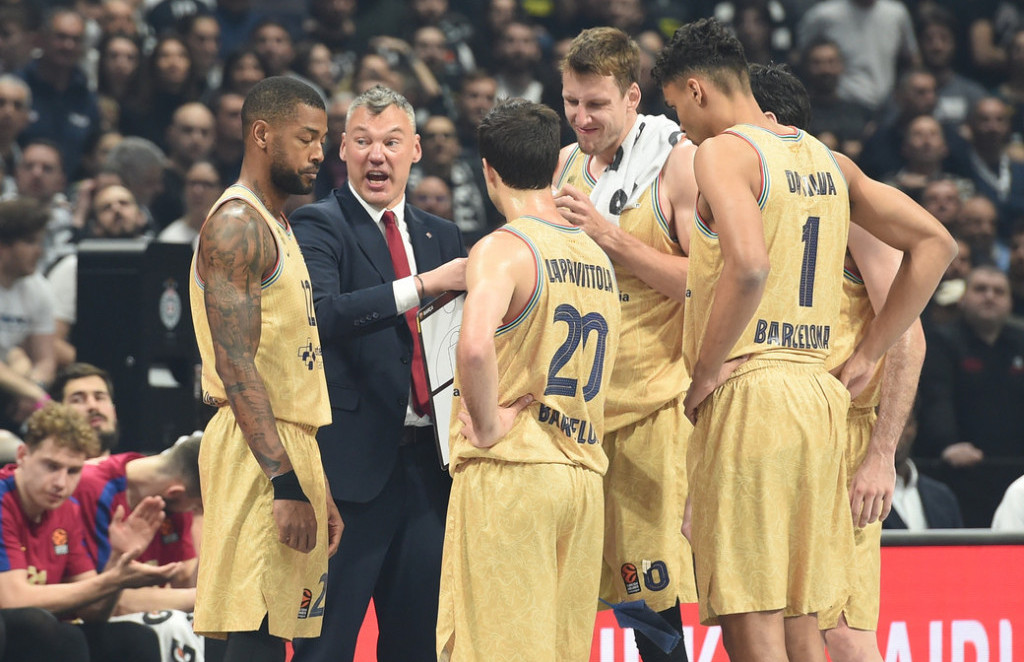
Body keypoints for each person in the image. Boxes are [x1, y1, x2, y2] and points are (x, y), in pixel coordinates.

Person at [654, 18, 955, 662]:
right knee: (803, 620)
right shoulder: (830, 160)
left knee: (750, 611)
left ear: (698, 88)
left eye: (676, 106)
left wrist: (706, 371)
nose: (680, 127)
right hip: (821, 399)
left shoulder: (723, 152)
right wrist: (870, 350)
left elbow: (750, 264)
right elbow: (936, 244)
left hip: (753, 388)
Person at [748, 61, 928, 662]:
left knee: (842, 631)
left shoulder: (844, 197)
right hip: (784, 430)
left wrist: (880, 455)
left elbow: (910, 334)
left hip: (844, 437)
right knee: (781, 619)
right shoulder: (759, 201)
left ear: (768, 122)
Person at [436, 98, 620, 661]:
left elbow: (472, 347)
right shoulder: (596, 255)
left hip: (515, 476)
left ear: (487, 170)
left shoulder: (503, 247)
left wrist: (488, 424)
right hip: (583, 478)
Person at [289, 84, 466, 662]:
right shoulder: (319, 224)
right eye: (363, 141)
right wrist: (422, 286)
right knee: (329, 642)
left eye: (391, 142)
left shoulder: (443, 236)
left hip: (429, 470)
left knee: (418, 644)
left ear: (416, 149)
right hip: (352, 474)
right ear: (342, 149)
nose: (377, 155)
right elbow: (321, 314)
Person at [552, 26, 696, 662]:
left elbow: (706, 283)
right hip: (576, 413)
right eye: (572, 102)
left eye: (596, 104)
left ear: (634, 96)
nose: (582, 118)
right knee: (568, 597)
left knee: (651, 611)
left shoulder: (678, 160)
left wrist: (615, 240)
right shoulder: (564, 165)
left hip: (651, 409)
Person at [188, 75, 343, 662]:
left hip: (288, 441)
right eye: (306, 138)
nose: (318, 153)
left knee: (276, 631)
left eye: (323, 140)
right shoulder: (237, 225)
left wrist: (313, 480)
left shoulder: (277, 221)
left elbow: (290, 372)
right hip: (257, 450)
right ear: (261, 134)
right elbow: (236, 366)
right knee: (252, 631)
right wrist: (283, 481)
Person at [0, 403, 179, 662]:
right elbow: (14, 599)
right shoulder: (3, 499)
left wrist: (118, 561)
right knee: (44, 627)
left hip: (41, 631)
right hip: (13, 627)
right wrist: (112, 581)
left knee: (135, 638)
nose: (61, 483)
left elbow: (93, 611)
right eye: (51, 466)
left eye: (73, 471)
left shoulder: (67, 510)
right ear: (22, 456)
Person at [915, 265, 1024, 526]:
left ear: (1010, 303)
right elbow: (936, 396)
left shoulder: (1020, 341)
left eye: (999, 291)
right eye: (980, 289)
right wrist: (947, 443)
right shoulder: (942, 340)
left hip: (1014, 462)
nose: (989, 296)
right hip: (962, 468)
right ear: (962, 299)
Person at [0, 197, 56, 431]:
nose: (39, 251)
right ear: (4, 246)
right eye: (30, 242)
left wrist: (34, 385)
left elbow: (45, 359)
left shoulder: (38, 288)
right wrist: (32, 393)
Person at [52, 362, 120, 457]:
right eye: (78, 400)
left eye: (99, 397)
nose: (93, 406)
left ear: (114, 412)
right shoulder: (41, 471)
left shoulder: (141, 468)